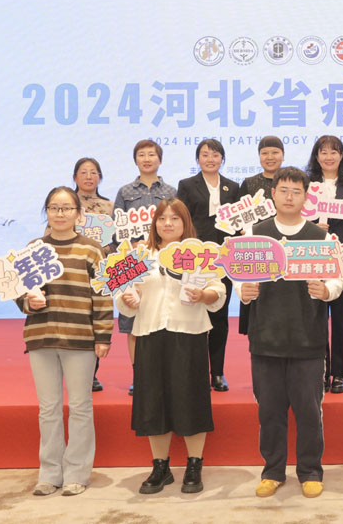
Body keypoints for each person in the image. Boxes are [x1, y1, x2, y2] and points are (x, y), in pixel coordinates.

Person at [235, 167, 343, 499]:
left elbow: (337, 279)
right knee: (269, 411)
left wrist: (327, 291)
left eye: (296, 192)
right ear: (273, 194)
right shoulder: (255, 232)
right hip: (265, 337)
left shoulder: (321, 237)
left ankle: (310, 471)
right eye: (283, 190)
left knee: (309, 411)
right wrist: (243, 292)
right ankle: (272, 471)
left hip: (308, 338)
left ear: (306, 198)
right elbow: (239, 277)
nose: (289, 197)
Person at [117, 198, 226, 495]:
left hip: (188, 333)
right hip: (150, 332)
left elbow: (218, 291)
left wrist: (203, 295)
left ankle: (194, 464)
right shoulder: (139, 255)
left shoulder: (199, 253)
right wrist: (128, 299)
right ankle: (160, 467)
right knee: (152, 401)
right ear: (154, 224)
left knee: (191, 398)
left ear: (185, 223)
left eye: (174, 218)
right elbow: (124, 297)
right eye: (162, 218)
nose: (167, 223)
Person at [17, 186, 113, 496]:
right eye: (54, 208)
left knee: (81, 406)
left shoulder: (92, 249)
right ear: (46, 212)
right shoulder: (33, 249)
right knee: (48, 409)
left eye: (67, 208)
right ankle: (49, 473)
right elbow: (20, 294)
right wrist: (29, 302)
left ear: (78, 214)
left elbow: (102, 295)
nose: (60, 214)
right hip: (41, 337)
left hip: (80, 338)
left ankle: (77, 473)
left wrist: (103, 336)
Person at [113, 139, 176, 395]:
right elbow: (116, 230)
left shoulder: (170, 191)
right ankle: (138, 375)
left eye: (152, 154)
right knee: (133, 320)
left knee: (163, 317)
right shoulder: (125, 192)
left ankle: (164, 375)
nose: (147, 159)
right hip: (134, 261)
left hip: (163, 261)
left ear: (160, 159)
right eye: (142, 155)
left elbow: (178, 225)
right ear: (135, 160)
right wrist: (132, 244)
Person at [177, 139, 240, 392]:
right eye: (205, 155)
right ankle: (194, 371)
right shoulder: (186, 185)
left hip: (223, 259)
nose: (210, 159)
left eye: (215, 155)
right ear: (198, 159)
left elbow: (238, 221)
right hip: (195, 258)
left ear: (222, 159)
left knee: (219, 316)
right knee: (192, 314)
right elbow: (181, 218)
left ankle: (218, 372)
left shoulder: (232, 187)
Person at [306, 135, 343, 394]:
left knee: (340, 319)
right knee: (316, 318)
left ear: (342, 156)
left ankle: (339, 373)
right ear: (316, 156)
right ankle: (320, 369)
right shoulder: (306, 184)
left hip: (341, 258)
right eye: (324, 152)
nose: (329, 157)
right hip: (312, 259)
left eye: (334, 152)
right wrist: (313, 229)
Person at [72, 157, 114, 392]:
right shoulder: (65, 202)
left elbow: (118, 241)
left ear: (100, 177)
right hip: (71, 269)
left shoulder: (109, 207)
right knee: (74, 320)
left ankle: (91, 373)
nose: (88, 176)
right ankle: (73, 371)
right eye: (83, 172)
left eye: (93, 172)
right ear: (75, 177)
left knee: (96, 320)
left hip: (99, 271)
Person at [237, 135, 285, 337]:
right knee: (257, 305)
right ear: (259, 156)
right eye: (265, 153)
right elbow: (238, 217)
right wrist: (242, 230)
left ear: (283, 155)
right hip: (258, 252)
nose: (270, 157)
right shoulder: (249, 183)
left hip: (287, 251)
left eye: (275, 152)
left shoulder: (291, 180)